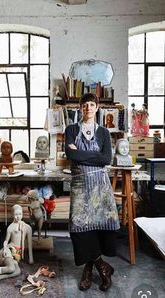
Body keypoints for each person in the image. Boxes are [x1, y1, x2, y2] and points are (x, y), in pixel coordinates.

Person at [65, 93, 120, 292]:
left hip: (100, 187)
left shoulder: (104, 132)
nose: (88, 108)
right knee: (79, 227)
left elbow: (106, 159)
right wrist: (94, 156)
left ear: (97, 108)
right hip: (80, 186)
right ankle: (102, 267)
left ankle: (88, 270)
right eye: (84, 104)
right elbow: (71, 154)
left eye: (91, 104)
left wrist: (82, 156)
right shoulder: (71, 129)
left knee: (97, 226)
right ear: (80, 107)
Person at [0, 204, 34, 279]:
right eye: (16, 214)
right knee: (11, 268)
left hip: (16, 255)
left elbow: (30, 245)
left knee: (17, 271)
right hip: (9, 250)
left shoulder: (27, 227)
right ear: (12, 215)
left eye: (20, 214)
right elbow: (6, 241)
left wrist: (31, 258)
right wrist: (5, 249)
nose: (18, 216)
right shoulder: (10, 227)